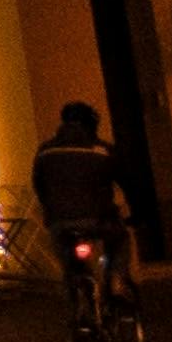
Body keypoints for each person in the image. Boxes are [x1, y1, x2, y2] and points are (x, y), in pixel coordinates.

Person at [37, 100, 141, 289]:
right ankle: (117, 278)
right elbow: (128, 182)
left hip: (59, 222)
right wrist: (137, 213)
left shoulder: (45, 151)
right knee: (120, 240)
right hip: (98, 219)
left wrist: (51, 210)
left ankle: (76, 295)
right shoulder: (103, 150)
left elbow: (39, 185)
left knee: (68, 261)